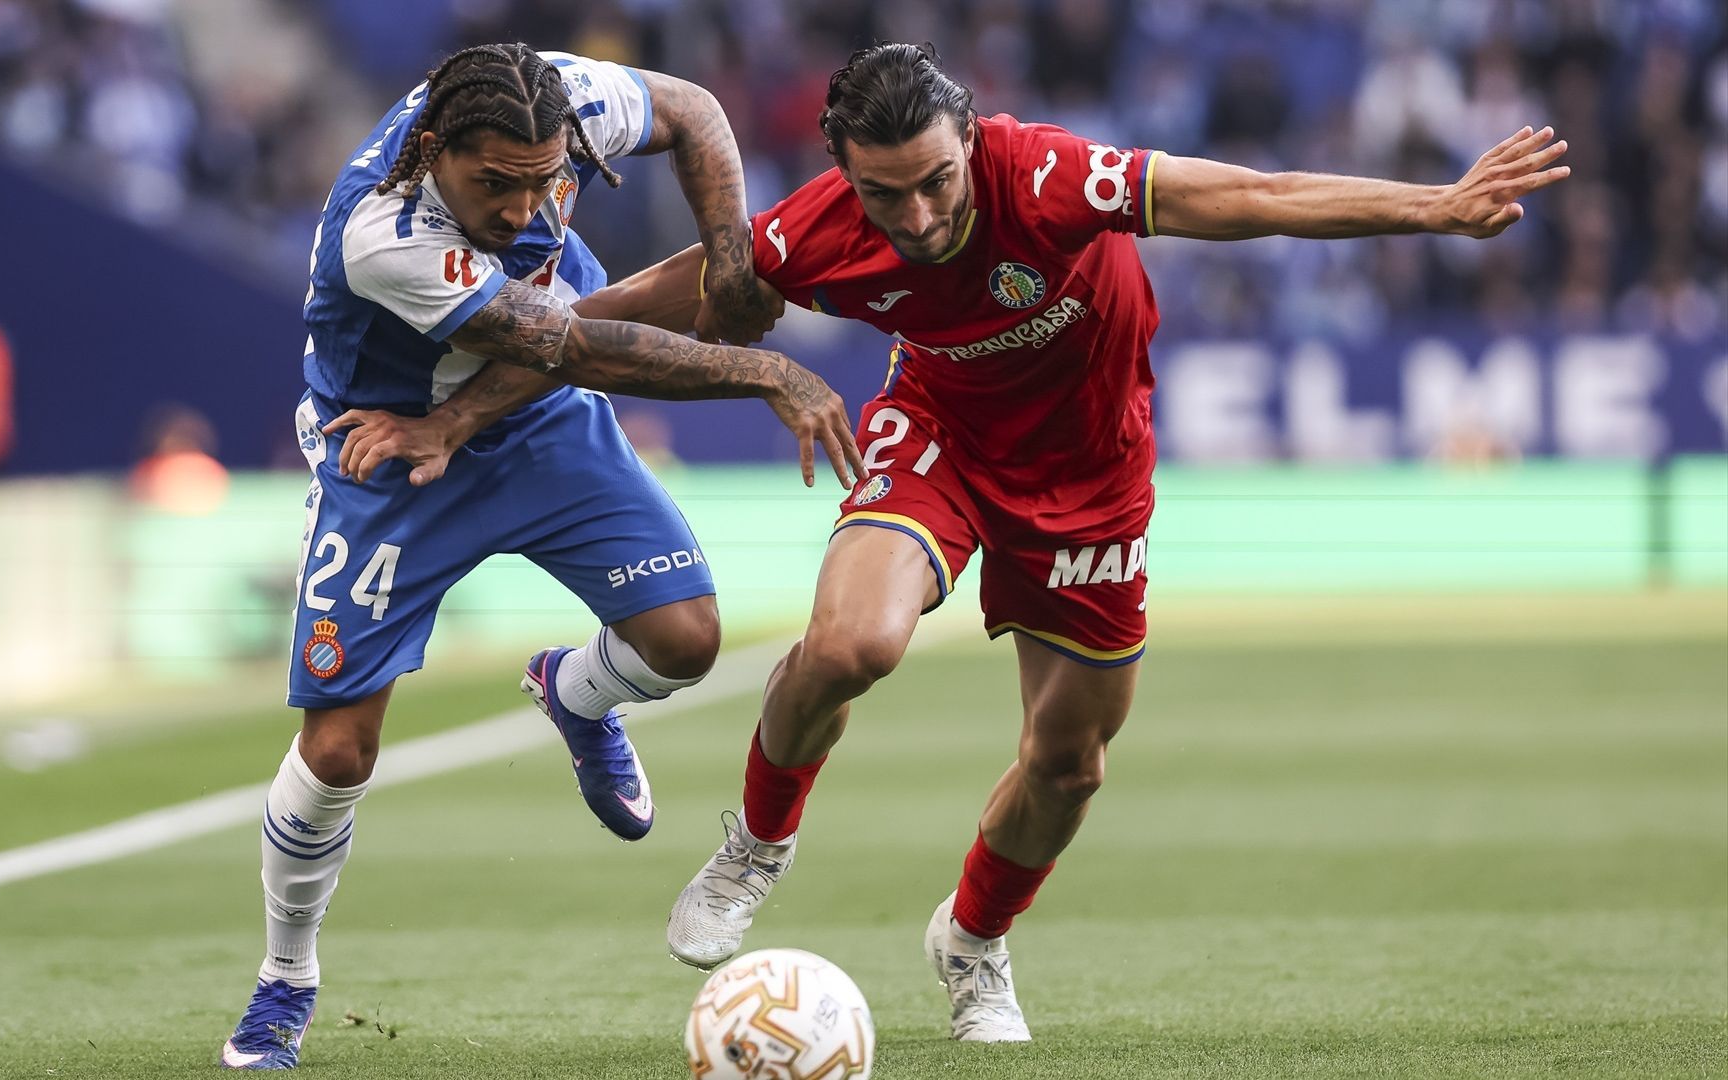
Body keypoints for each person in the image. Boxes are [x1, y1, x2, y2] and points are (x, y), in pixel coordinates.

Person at [418, 41, 1569, 1046]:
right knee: (848, 646)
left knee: (1070, 762)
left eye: (933, 183)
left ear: (971, 139)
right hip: (943, 440)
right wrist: (464, 408)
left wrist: (1437, 205)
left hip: (1094, 478)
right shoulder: (821, 228)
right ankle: (760, 843)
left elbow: (1250, 193)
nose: (914, 220)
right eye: (883, 195)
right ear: (844, 176)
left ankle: (971, 943)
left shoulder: (1051, 174)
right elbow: (641, 303)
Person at [220, 42, 860, 1070]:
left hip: (535, 419)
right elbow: (570, 348)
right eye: (494, 186)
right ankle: (285, 979)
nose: (524, 210)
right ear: (434, 152)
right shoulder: (385, 234)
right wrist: (764, 368)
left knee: (686, 639)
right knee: (338, 750)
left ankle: (575, 693)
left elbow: (693, 111)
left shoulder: (564, 97)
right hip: (396, 448)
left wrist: (732, 261)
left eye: (543, 178)